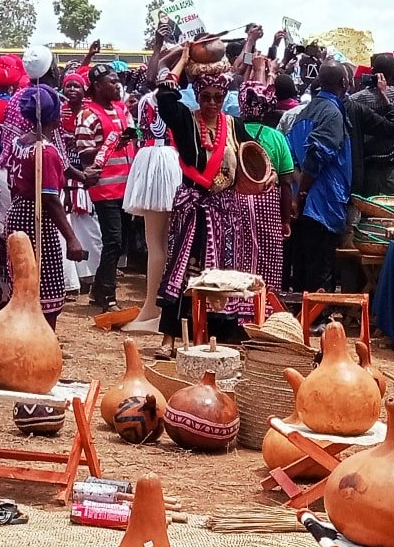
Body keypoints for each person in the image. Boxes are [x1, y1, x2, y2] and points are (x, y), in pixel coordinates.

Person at [0, 85, 83, 329]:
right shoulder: (45, 152)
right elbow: (49, 199)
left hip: (17, 213)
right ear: (54, 117)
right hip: (36, 219)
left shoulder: (19, 142)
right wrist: (72, 239)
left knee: (21, 277)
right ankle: (41, 338)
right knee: (45, 284)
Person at [153, 62, 252, 344]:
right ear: (197, 95)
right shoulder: (186, 120)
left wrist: (264, 175)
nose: (211, 103)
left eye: (218, 98)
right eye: (206, 97)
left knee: (220, 273)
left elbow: (252, 156)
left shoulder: (234, 125)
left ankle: (215, 337)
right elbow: (165, 97)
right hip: (193, 210)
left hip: (223, 213)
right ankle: (171, 337)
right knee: (184, 270)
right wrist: (183, 60)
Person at [71, 64, 134, 310]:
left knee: (120, 243)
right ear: (97, 86)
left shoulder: (121, 109)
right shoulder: (87, 115)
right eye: (112, 82)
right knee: (113, 242)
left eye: (118, 81)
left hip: (126, 187)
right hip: (105, 188)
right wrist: (112, 145)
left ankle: (98, 290)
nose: (117, 85)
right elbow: (84, 154)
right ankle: (108, 296)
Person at [288, 59, 353, 294]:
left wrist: (298, 193)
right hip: (322, 207)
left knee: (303, 273)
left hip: (305, 205)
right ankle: (317, 315)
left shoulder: (303, 113)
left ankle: (301, 314)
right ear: (343, 83)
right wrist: (303, 193)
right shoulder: (332, 114)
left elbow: (291, 157)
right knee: (319, 277)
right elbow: (316, 156)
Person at [122, 76, 182, 330]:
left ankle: (152, 308)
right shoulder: (176, 99)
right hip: (165, 159)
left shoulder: (157, 98)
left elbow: (162, 75)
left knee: (156, 243)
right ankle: (154, 306)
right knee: (162, 242)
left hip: (158, 160)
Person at [237, 82, 296, 297]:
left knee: (239, 258)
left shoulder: (231, 132)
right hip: (269, 209)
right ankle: (267, 306)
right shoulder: (277, 137)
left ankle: (237, 305)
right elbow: (286, 183)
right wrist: (286, 221)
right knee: (268, 261)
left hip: (237, 205)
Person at [348, 52, 394, 197]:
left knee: (368, 209)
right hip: (393, 173)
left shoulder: (355, 100)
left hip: (367, 170)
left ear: (372, 72)